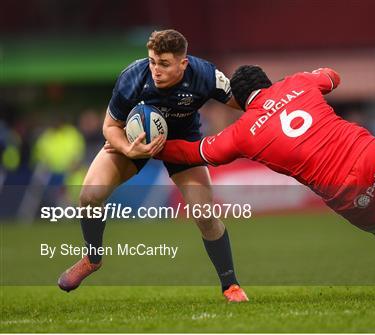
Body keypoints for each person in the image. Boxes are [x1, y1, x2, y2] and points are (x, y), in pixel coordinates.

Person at [156, 65, 375, 296]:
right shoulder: (298, 82)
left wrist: (148, 146)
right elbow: (333, 76)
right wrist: (311, 77)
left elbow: (194, 152)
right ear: (268, 81)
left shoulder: (243, 132)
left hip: (344, 191)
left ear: (240, 102)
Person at [57, 29, 248, 302]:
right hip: (134, 142)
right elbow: (110, 126)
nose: (156, 70)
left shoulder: (205, 75)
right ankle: (93, 258)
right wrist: (127, 148)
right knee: (89, 194)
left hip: (182, 143)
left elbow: (242, 103)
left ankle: (230, 285)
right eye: (152, 62)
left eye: (165, 64)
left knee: (205, 214)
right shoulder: (133, 77)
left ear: (184, 63)